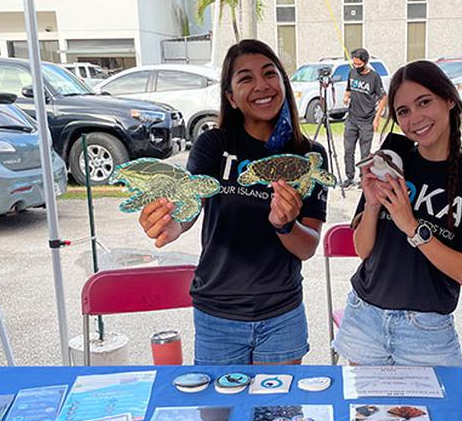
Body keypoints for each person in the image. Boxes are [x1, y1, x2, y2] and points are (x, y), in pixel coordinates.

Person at [138, 39, 327, 365]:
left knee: (277, 414)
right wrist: (172, 223)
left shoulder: (309, 156)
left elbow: (307, 248)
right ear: (231, 98)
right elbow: (190, 202)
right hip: (218, 315)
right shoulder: (213, 143)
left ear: (283, 82)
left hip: (282, 315)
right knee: (220, 416)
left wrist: (285, 225)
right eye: (245, 78)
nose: (261, 85)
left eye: (270, 74)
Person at [332, 60, 462, 367]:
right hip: (365, 318)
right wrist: (371, 205)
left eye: (424, 102)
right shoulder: (392, 156)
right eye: (404, 111)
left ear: (449, 99)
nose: (415, 119)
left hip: (427, 331)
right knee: (364, 415)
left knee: (439, 415)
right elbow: (362, 249)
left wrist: (412, 227)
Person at [342, 48, 387, 188]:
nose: (356, 67)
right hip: (352, 119)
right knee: (348, 150)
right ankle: (349, 177)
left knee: (365, 153)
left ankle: (364, 179)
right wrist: (346, 96)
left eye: (359, 64)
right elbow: (348, 89)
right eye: (354, 64)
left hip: (367, 121)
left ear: (365, 62)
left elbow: (383, 97)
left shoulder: (374, 77)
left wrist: (377, 118)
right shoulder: (352, 72)